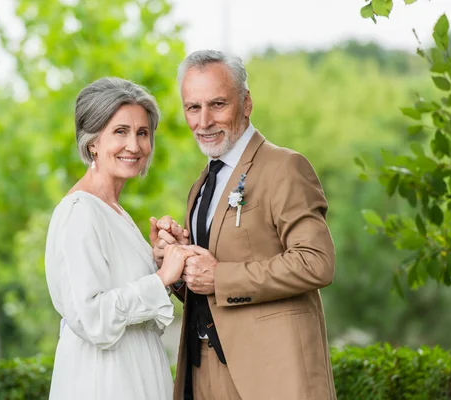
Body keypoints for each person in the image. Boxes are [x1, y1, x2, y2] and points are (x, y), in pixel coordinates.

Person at [151, 50, 337, 400]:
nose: (203, 121)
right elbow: (204, 285)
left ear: (247, 103)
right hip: (201, 371)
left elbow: (317, 263)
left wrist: (220, 276)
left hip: (271, 373)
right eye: (193, 107)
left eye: (217, 104)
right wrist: (175, 265)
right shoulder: (203, 182)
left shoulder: (285, 167)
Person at [45, 77, 192, 400]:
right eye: (120, 131)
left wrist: (160, 262)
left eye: (143, 133)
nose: (135, 146)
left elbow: (132, 302)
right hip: (104, 380)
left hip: (135, 371)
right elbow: (90, 316)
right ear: (92, 141)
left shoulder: (115, 211)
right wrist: (159, 279)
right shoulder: (79, 211)